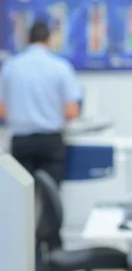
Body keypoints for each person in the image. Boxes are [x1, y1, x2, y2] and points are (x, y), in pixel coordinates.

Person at [0, 21, 81, 186]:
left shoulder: (11, 67)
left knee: (21, 197)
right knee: (49, 196)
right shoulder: (60, 67)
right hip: (50, 140)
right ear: (48, 40)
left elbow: (2, 110)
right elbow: (72, 112)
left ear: (28, 39)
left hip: (21, 141)